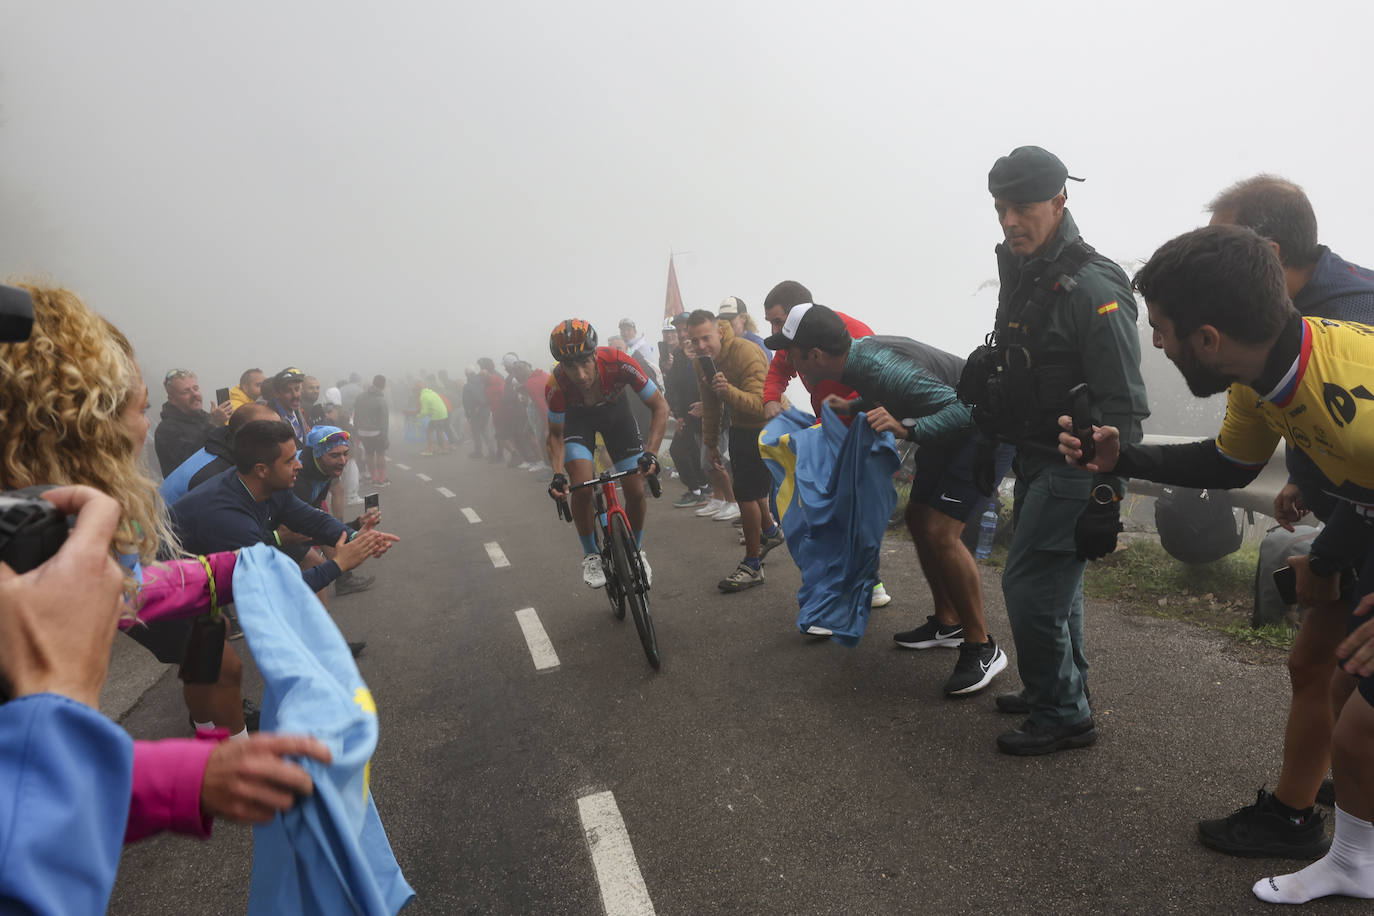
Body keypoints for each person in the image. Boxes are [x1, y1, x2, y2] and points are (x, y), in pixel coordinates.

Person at [1060, 223, 1374, 905]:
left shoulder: (1351, 398)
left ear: (1208, 338)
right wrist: (1124, 458)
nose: (1157, 343)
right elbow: (1228, 465)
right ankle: (1348, 853)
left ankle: (1355, 863)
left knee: (1357, 729)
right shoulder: (1260, 374)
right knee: (1336, 685)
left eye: (1164, 329)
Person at [1194, 176, 1374, 859]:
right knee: (1325, 672)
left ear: (1266, 254)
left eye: (1217, 250)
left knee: (1327, 670)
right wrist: (1305, 479)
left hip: (1364, 523)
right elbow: (1307, 413)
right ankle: (1318, 793)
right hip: (1351, 512)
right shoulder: (1294, 302)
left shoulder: (1355, 317)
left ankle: (1299, 818)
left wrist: (1329, 557)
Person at [961, 146, 1148, 755]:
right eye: (1000, 208)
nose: (1010, 221)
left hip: (1077, 460)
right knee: (1056, 589)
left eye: (1022, 208)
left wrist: (1107, 490)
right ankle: (1060, 690)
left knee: (1030, 587)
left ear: (1059, 202)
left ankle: (1063, 714)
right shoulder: (1026, 271)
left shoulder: (1092, 284)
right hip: (1035, 450)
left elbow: (1124, 400)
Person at [766, 303, 1012, 694]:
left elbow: (963, 411)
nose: (791, 366)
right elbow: (892, 392)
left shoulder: (877, 365)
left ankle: (982, 646)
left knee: (941, 531)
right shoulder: (855, 360)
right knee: (917, 517)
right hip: (943, 425)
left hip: (979, 431)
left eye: (792, 355)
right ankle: (949, 623)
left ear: (814, 355)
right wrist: (852, 405)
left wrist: (904, 427)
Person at [760, 281, 892, 608]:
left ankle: (860, 584)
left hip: (862, 427)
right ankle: (864, 582)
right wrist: (770, 400)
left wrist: (828, 424)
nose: (776, 330)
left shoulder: (854, 332)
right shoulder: (792, 341)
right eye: (771, 324)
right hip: (827, 428)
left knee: (846, 506)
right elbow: (778, 370)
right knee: (829, 506)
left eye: (778, 321)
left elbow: (875, 388)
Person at [544, 319, 667, 587]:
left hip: (617, 417)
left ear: (595, 353)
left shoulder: (618, 362)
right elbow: (555, 434)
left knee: (634, 491)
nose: (580, 374)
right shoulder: (556, 384)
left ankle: (637, 550)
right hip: (578, 423)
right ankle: (591, 555)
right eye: (570, 366)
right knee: (583, 488)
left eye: (585, 362)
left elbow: (660, 406)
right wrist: (556, 474)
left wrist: (652, 453)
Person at [684, 309, 779, 591]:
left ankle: (752, 565)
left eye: (706, 338)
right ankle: (771, 531)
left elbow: (763, 404)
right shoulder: (702, 364)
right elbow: (711, 405)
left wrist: (727, 392)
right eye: (695, 341)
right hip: (739, 426)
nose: (701, 346)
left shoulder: (746, 351)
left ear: (720, 332)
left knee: (746, 495)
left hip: (768, 425)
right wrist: (710, 442)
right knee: (748, 489)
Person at [159, 402, 278, 506]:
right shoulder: (214, 474)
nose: (282, 439)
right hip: (164, 527)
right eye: (274, 434)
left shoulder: (230, 448)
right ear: (249, 438)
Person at [665, 311, 710, 507]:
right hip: (686, 412)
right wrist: (678, 412)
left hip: (703, 411)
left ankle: (700, 490)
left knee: (690, 452)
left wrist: (692, 358)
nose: (681, 334)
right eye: (678, 330)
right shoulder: (678, 354)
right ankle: (701, 488)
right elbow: (674, 385)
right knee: (684, 451)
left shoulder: (701, 350)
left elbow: (701, 381)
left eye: (684, 330)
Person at [154, 368, 232, 477]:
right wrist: (213, 425)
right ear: (172, 399)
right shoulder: (166, 429)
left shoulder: (206, 417)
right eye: (186, 391)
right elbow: (189, 463)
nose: (195, 394)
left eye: (195, 388)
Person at [353, 374, 391, 486]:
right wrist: (385, 437)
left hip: (362, 431)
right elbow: (384, 421)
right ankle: (382, 479)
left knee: (369, 454)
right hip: (377, 432)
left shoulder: (360, 397)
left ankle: (373, 478)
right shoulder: (381, 400)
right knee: (380, 454)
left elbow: (356, 415)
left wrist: (356, 430)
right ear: (383, 386)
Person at [267, 366, 310, 443]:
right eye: (288, 391)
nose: (295, 395)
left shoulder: (299, 411)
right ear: (277, 393)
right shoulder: (270, 420)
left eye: (297, 389)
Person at [463, 365, 495, 459]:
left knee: (476, 432)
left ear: (467, 374)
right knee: (485, 430)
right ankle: (491, 450)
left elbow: (467, 401)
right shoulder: (482, 382)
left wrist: (470, 412)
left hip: (475, 411)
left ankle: (479, 451)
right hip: (485, 410)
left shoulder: (469, 385)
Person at [618, 318, 662, 385]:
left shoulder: (642, 347)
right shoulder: (624, 347)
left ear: (635, 332)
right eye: (623, 330)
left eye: (628, 330)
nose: (625, 333)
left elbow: (648, 370)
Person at [415, 379, 452, 456]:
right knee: (440, 431)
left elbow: (425, 411)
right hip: (444, 413)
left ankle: (430, 450)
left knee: (429, 431)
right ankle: (444, 449)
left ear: (418, 390)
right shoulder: (431, 392)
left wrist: (418, 416)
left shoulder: (423, 396)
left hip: (437, 415)